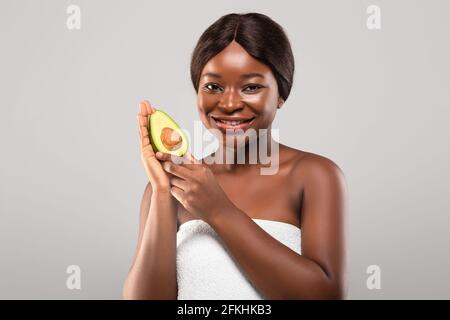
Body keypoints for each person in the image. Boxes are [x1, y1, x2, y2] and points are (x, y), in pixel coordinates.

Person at [123, 12, 348, 300]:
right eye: (213, 87)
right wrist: (162, 192)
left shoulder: (314, 175)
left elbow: (326, 295)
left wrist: (218, 210)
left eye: (251, 87)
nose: (229, 103)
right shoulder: (173, 186)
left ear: (281, 93)